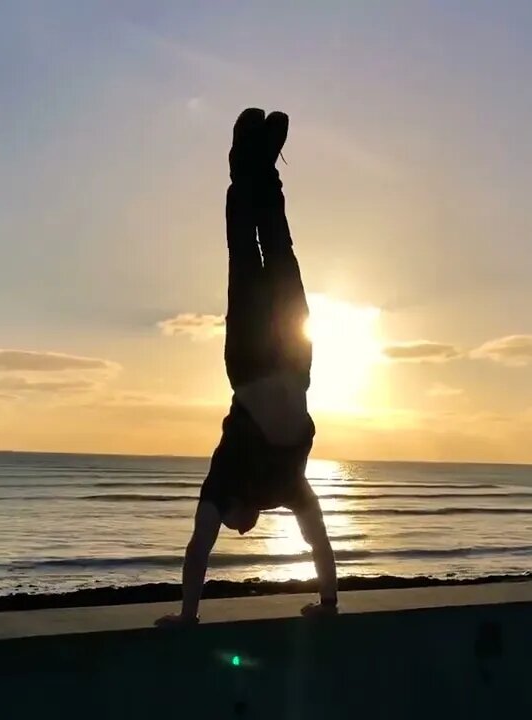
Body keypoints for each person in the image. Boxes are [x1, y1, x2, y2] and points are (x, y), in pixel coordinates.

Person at [155, 108, 338, 626]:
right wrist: (327, 602)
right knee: (279, 254)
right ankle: (265, 166)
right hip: (295, 360)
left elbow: (198, 550)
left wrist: (189, 614)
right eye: (242, 530)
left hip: (254, 364)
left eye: (233, 530)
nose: (237, 531)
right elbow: (319, 538)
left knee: (246, 254)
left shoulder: (222, 480)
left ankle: (246, 158)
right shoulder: (288, 489)